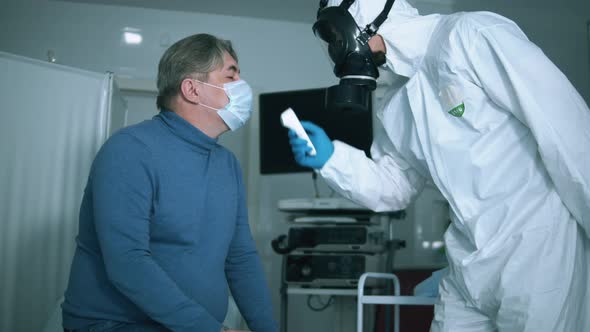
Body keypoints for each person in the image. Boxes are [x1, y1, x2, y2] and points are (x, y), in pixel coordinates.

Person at [288, 0, 590, 331]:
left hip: (536, 249)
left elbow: (567, 135)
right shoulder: (394, 97)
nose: (336, 49)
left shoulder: (471, 36)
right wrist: (333, 159)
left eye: (334, 34)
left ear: (364, 16)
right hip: (467, 261)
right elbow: (395, 187)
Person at [62, 33, 277, 332]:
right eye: (231, 75)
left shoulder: (227, 165)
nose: (243, 86)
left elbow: (240, 256)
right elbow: (128, 262)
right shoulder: (130, 150)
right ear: (192, 89)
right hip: (116, 325)